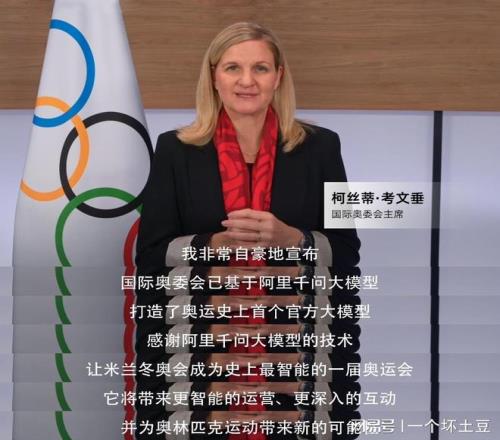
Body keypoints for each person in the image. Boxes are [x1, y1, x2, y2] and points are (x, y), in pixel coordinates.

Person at [135, 22, 361, 440]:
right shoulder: (174, 149)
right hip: (201, 367)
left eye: (260, 68)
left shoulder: (322, 147)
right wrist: (213, 246)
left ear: (278, 77)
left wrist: (293, 240)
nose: (247, 81)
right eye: (233, 68)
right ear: (214, 77)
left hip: (296, 366)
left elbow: (347, 251)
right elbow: (149, 256)